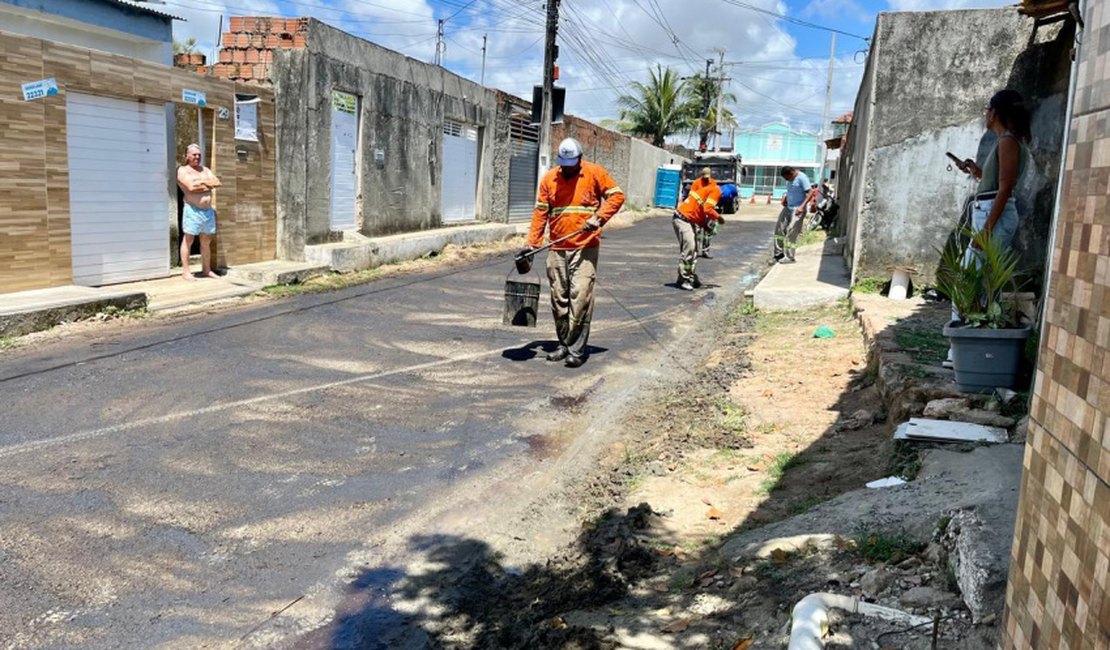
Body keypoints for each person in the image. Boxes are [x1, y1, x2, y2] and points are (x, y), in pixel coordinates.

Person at [944, 89, 1031, 367]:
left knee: (968, 282)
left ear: (995, 112)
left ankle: (959, 350)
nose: (985, 114)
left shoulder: (1008, 142)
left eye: (987, 110)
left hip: (993, 216)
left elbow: (1005, 188)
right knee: (975, 283)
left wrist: (986, 231)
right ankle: (963, 350)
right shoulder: (1004, 142)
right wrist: (976, 171)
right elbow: (997, 182)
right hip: (990, 213)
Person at [528, 138, 625, 368]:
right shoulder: (549, 178)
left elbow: (617, 196)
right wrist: (532, 244)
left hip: (585, 247)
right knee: (558, 299)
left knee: (580, 297)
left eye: (571, 163)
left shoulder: (595, 173)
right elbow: (541, 213)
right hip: (557, 248)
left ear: (580, 158)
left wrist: (598, 218)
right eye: (564, 163)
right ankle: (563, 343)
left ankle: (577, 349)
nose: (567, 167)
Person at [176, 144, 222, 280]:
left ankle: (206, 270)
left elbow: (217, 182)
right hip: (192, 210)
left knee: (206, 241)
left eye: (199, 155)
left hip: (207, 211)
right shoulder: (183, 170)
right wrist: (207, 184)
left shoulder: (205, 169)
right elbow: (190, 187)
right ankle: (186, 272)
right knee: (188, 239)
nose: (197, 157)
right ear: (187, 156)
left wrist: (199, 182)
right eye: (194, 154)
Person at [674, 167, 722, 290]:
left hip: (689, 219)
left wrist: (706, 226)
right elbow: (707, 209)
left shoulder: (709, 188)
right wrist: (718, 218)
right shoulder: (714, 190)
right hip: (682, 218)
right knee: (689, 247)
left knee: (693, 249)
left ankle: (687, 276)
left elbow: (701, 212)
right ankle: (685, 278)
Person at [772, 166, 815, 264]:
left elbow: (810, 192)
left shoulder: (802, 178)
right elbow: (791, 191)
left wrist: (802, 207)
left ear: (791, 173)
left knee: (792, 232)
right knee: (779, 230)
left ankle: (790, 257)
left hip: (798, 209)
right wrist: (786, 198)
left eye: (787, 178)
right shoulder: (790, 179)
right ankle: (779, 254)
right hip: (788, 207)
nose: (787, 180)